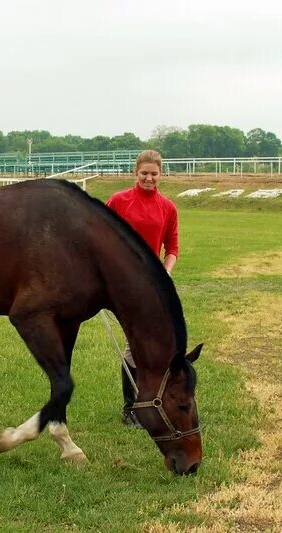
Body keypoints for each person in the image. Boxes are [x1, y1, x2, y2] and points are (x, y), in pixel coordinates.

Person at [105, 149, 179, 427]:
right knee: (134, 344)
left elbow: (172, 248)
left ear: (161, 174)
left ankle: (156, 401)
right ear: (135, 173)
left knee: (158, 344)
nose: (149, 178)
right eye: (144, 173)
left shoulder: (168, 207)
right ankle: (131, 408)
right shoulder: (118, 201)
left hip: (155, 285)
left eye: (154, 174)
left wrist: (165, 272)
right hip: (124, 284)